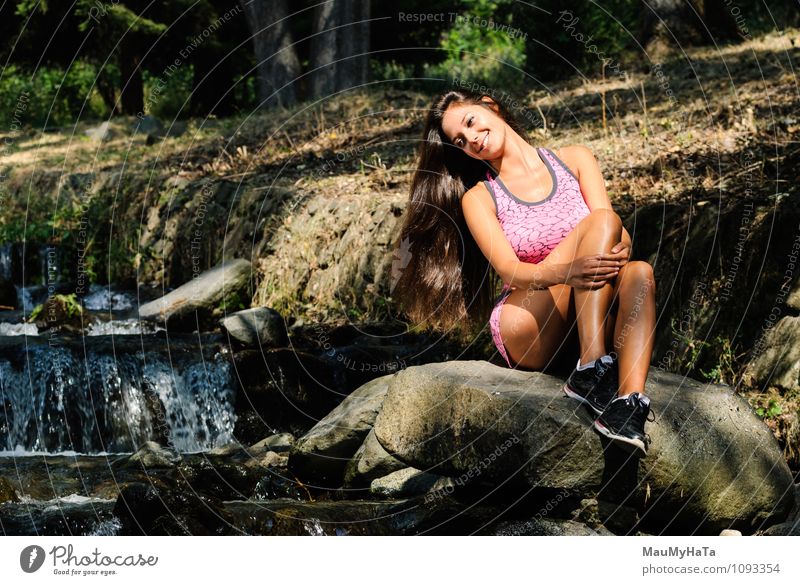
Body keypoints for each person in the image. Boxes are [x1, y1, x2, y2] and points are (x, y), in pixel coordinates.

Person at [392, 88, 656, 456]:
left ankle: (627, 405)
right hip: (527, 319)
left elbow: (615, 232)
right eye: (461, 141)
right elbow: (510, 270)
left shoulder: (576, 160)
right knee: (602, 222)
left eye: (471, 122)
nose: (472, 140)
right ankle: (592, 366)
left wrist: (621, 246)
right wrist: (569, 271)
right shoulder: (481, 197)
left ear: (490, 106)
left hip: (582, 314)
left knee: (640, 272)